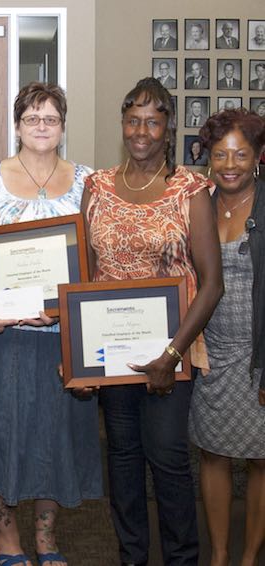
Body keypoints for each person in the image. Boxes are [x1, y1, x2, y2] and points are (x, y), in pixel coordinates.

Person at [0, 82, 102, 566]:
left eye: (51, 118)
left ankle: (45, 537)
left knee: (56, 438)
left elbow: (97, 259)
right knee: (0, 433)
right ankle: (6, 539)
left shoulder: (88, 181)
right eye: (32, 117)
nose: (41, 126)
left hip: (64, 339)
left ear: (63, 126)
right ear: (17, 125)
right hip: (4, 336)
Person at [81, 77, 223, 565]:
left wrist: (171, 355)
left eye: (153, 121)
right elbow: (83, 275)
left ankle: (182, 559)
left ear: (168, 129)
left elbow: (212, 283)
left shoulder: (190, 189)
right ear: (122, 125)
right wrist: (77, 360)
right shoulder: (96, 186)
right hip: (110, 353)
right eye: (133, 120)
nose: (141, 130)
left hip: (172, 352)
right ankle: (132, 557)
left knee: (167, 461)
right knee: (121, 460)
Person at [189, 108, 265, 566]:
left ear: (258, 156)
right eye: (221, 154)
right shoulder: (200, 202)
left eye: (240, 154)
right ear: (209, 158)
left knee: (261, 459)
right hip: (209, 352)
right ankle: (219, 554)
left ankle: (250, 554)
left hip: (259, 353)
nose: (230, 164)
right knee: (213, 453)